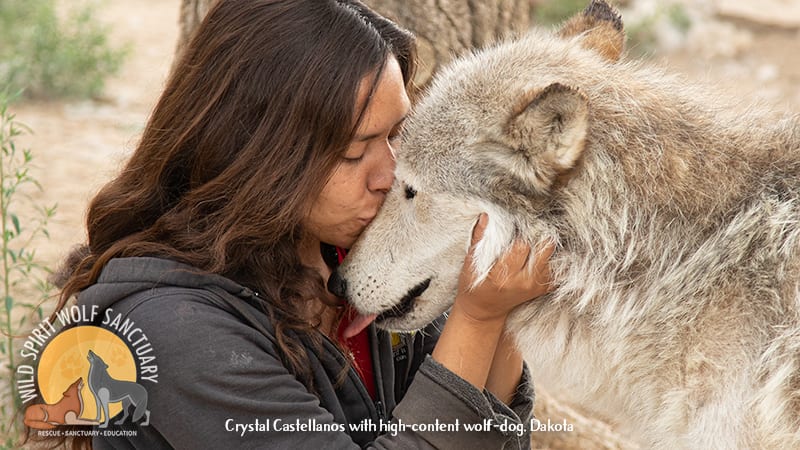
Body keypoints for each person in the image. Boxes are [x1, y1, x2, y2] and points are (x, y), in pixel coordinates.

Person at [45, 0, 554, 448]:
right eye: (356, 152)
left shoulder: (353, 256)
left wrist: (501, 301)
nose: (391, 173)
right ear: (260, 155)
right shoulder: (170, 331)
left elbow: (488, 435)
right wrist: (478, 318)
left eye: (399, 133)